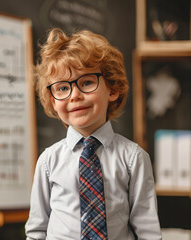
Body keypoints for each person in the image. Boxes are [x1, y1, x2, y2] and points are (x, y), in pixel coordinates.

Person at [25, 28, 162, 240]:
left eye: (87, 82)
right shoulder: (48, 162)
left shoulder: (133, 158)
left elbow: (147, 231)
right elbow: (36, 230)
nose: (74, 96)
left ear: (112, 89)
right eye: (62, 88)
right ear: (53, 100)